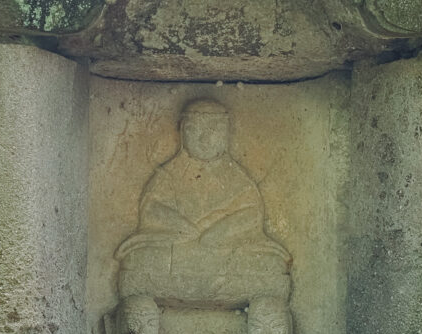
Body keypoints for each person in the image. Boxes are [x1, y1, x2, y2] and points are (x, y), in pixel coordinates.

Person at [116, 99, 291, 309]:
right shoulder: (169, 173)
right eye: (194, 129)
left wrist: (222, 231)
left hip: (223, 248)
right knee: (139, 259)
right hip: (178, 246)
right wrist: (181, 227)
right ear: (181, 133)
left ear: (226, 134)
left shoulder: (236, 177)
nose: (205, 138)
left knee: (270, 263)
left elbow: (253, 213)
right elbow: (151, 208)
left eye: (214, 129)